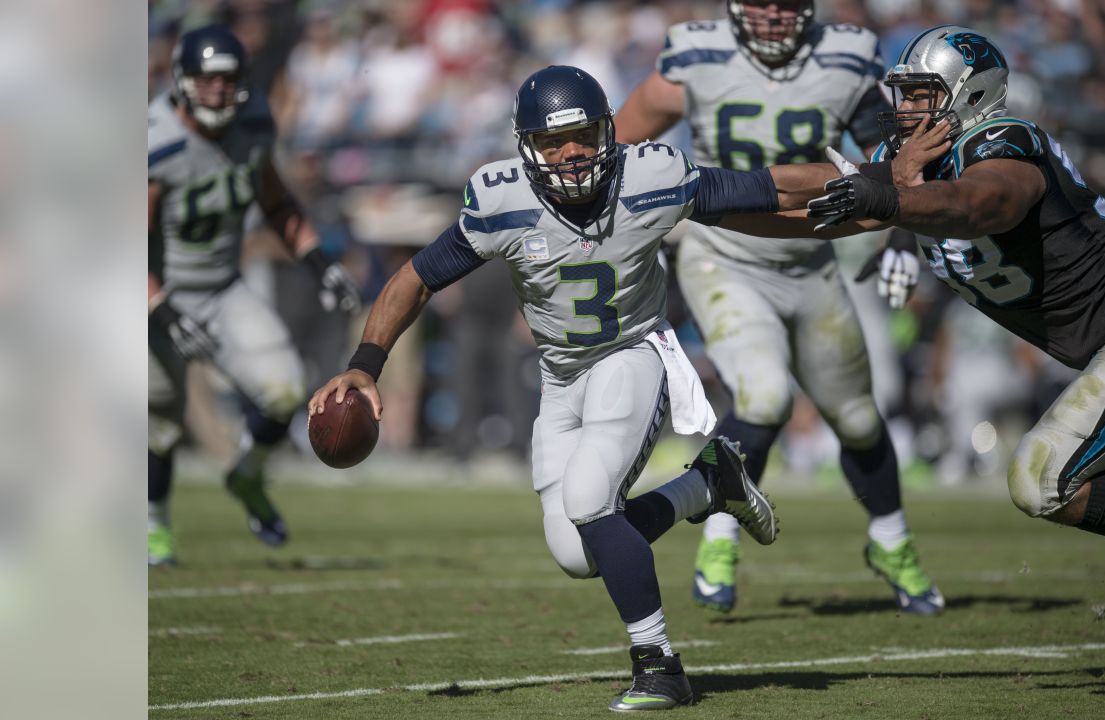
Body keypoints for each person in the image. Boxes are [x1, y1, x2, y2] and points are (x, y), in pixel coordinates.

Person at [308, 65, 848, 711]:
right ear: (526, 146)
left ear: (608, 132)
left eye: (585, 136)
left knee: (591, 501)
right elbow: (415, 278)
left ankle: (660, 667)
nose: (572, 154)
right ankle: (708, 483)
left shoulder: (649, 179)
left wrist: (875, 183)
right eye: (554, 142)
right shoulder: (501, 201)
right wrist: (365, 363)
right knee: (575, 552)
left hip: (633, 352)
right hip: (561, 378)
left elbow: (767, 189)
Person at [613, 0, 943, 615]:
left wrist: (904, 232)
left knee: (859, 418)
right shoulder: (696, 52)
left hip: (811, 262)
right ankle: (719, 535)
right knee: (763, 396)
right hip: (723, 256)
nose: (770, 15)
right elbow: (618, 147)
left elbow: (900, 160)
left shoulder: (845, 56)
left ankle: (891, 542)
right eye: (758, 2)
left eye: (784, 4)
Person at [807, 26, 1105, 548]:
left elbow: (983, 204)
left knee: (1042, 479)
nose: (907, 108)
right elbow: (801, 195)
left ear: (971, 93)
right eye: (904, 94)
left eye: (922, 94)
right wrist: (709, 194)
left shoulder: (1004, 140)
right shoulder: (920, 169)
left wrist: (889, 204)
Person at [148, 25, 360, 565]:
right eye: (207, 80)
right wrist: (163, 308)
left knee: (286, 390)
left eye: (227, 80)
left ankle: (246, 477)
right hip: (154, 294)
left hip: (222, 288)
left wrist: (319, 263)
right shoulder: (158, 140)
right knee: (160, 420)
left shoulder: (254, 123)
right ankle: (153, 527)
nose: (218, 91)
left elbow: (276, 202)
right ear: (183, 82)